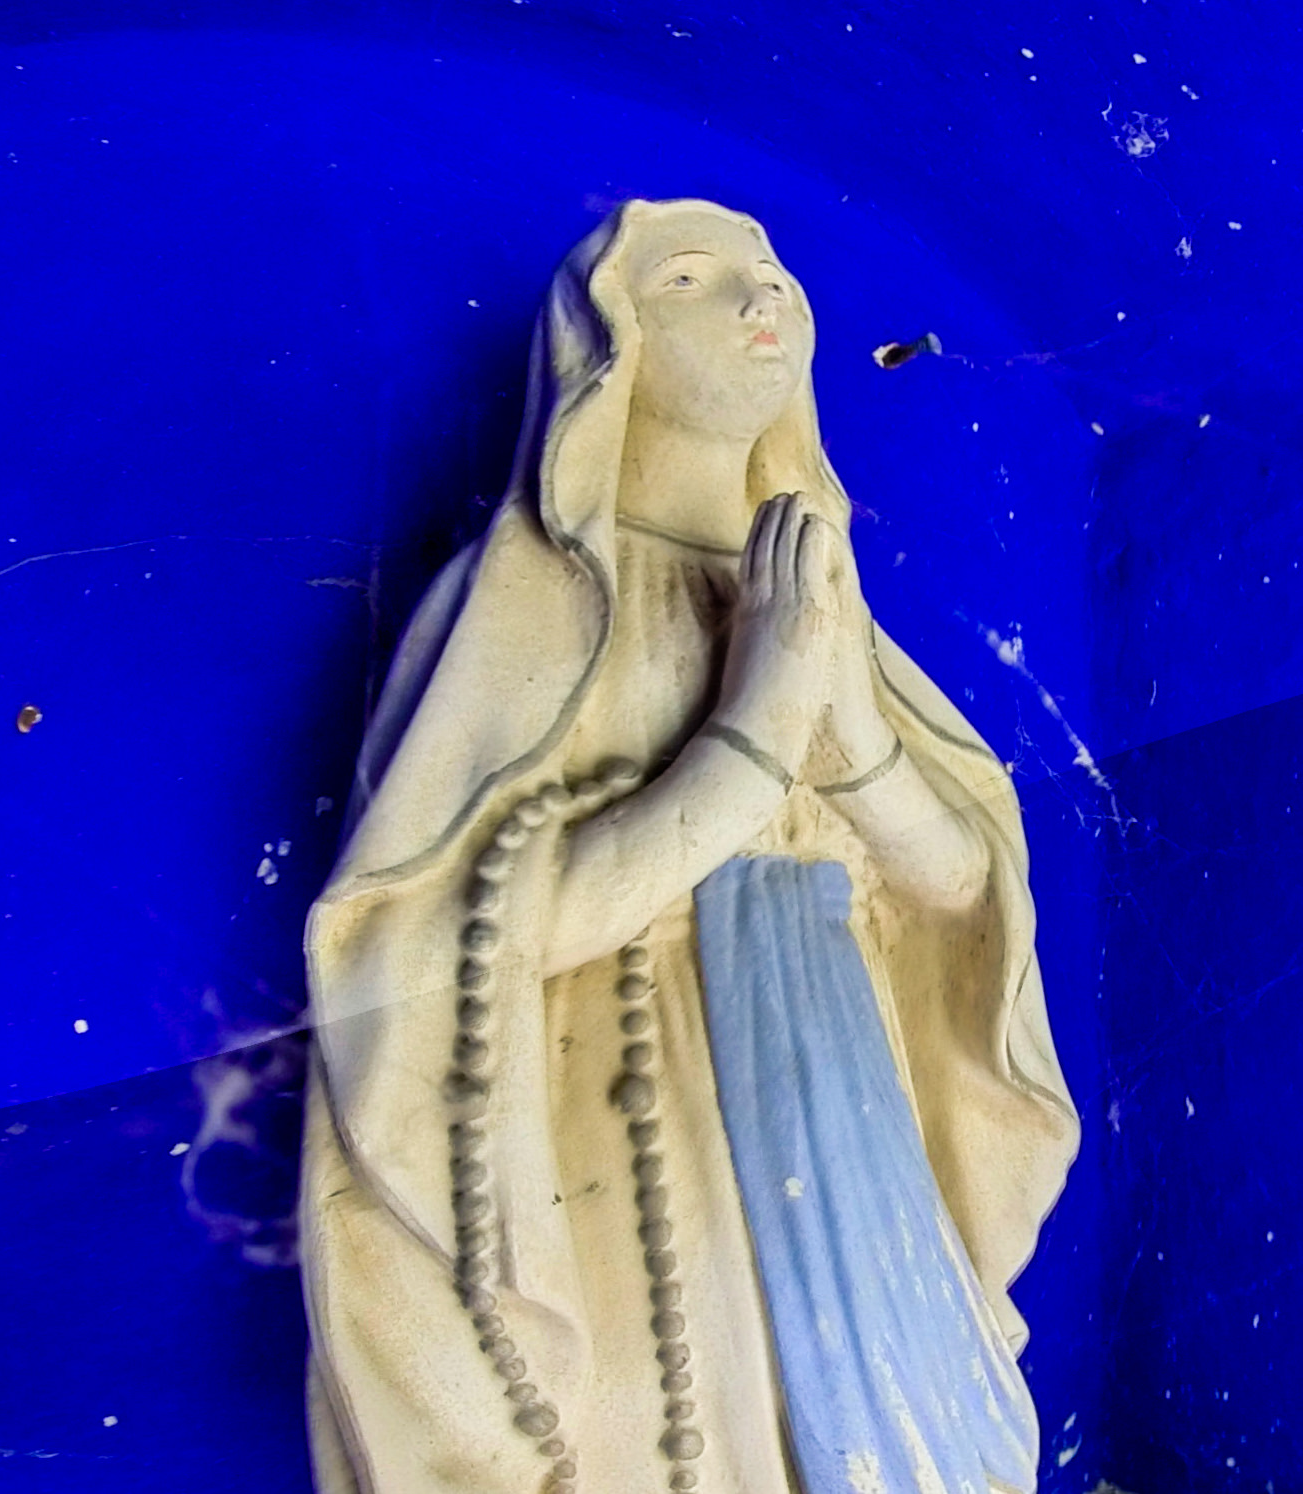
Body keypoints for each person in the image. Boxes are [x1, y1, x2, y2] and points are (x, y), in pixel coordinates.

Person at [300, 198, 1078, 1494]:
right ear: (607, 351)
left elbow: (961, 896)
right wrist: (755, 732)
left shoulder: (824, 599)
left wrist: (847, 734)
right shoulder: (529, 606)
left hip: (848, 1122)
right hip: (633, 1130)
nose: (759, 298)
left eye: (773, 275)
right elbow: (438, 944)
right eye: (690, 279)